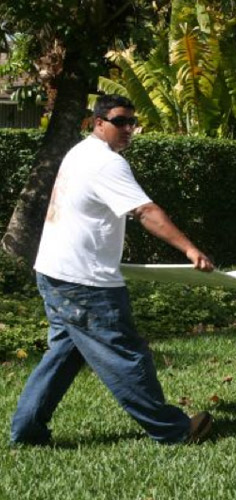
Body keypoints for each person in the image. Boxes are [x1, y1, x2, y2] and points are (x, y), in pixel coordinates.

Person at [11, 94, 215, 445]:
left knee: (64, 354)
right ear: (98, 122)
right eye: (119, 121)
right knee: (125, 355)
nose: (128, 129)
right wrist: (190, 248)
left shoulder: (80, 152)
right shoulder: (107, 163)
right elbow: (145, 212)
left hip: (55, 273)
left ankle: (27, 431)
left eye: (131, 122)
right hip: (84, 281)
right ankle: (174, 431)